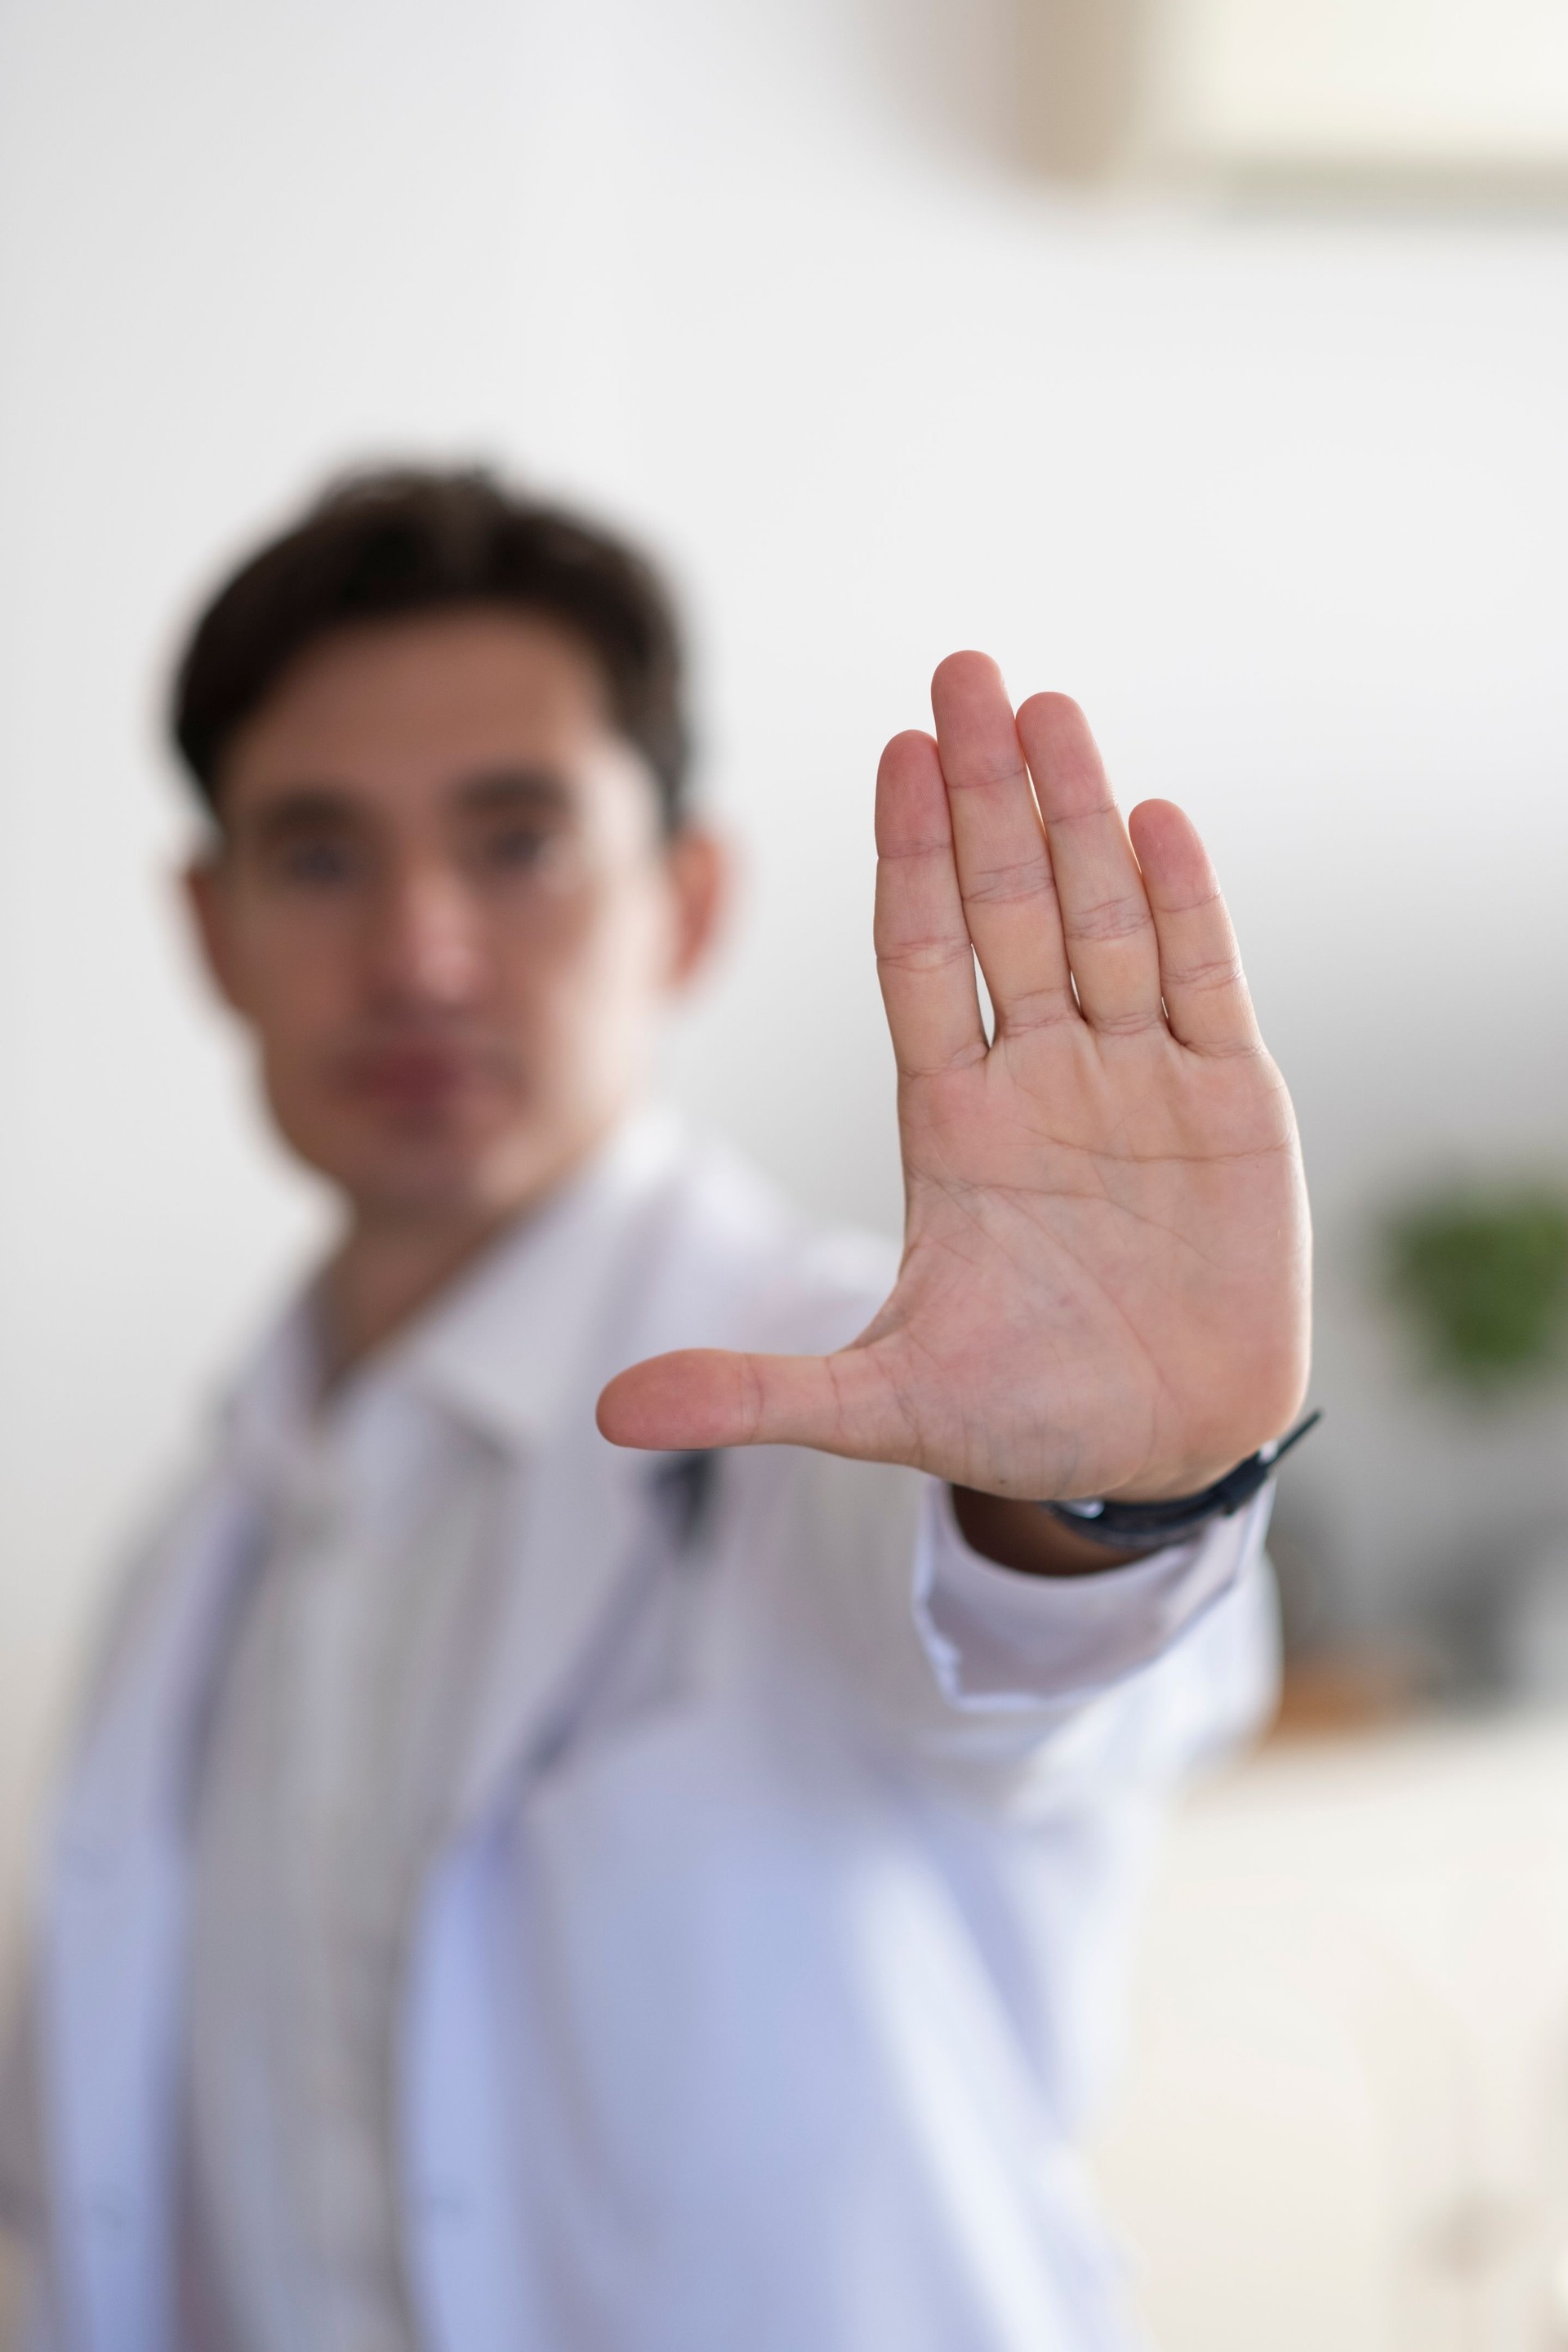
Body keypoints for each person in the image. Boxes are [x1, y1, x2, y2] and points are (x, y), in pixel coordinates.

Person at [0, 468, 1311, 2352]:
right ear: (211, 932)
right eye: (316, 857)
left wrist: (1113, 1500)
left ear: (684, 902)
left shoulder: (846, 1397)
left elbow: (1040, 1668)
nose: (420, 952)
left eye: (517, 841)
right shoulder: (200, 1544)